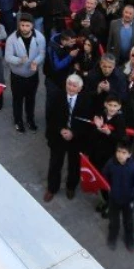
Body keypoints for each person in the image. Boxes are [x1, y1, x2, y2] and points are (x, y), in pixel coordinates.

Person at [44, 74, 91, 202]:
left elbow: (86, 123)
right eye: (68, 84)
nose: (70, 87)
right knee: (55, 163)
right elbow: (50, 117)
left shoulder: (86, 100)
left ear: (80, 88)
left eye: (74, 85)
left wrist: (73, 133)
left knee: (74, 165)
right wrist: (61, 130)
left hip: (76, 139)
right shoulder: (57, 96)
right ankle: (52, 188)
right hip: (58, 136)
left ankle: (71, 187)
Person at [5, 13, 45, 133]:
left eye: (27, 25)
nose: (24, 28)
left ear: (32, 26)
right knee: (17, 100)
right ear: (19, 25)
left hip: (32, 75)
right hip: (17, 76)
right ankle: (18, 120)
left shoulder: (40, 38)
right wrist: (19, 60)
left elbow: (42, 54)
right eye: (22, 25)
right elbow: (7, 57)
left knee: (31, 99)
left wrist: (36, 62)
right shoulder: (11, 39)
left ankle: (30, 119)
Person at [102, 141, 134, 250]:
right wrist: (108, 187)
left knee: (128, 221)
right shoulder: (111, 163)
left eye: (124, 152)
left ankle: (129, 239)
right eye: (118, 151)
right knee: (113, 220)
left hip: (127, 200)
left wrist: (132, 196)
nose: (120, 154)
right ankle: (112, 237)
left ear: (129, 154)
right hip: (114, 199)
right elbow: (105, 175)